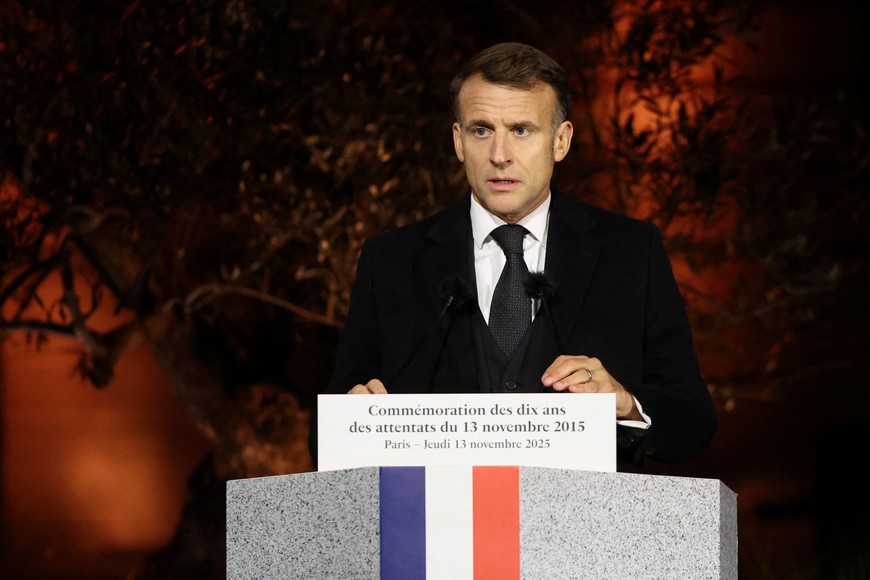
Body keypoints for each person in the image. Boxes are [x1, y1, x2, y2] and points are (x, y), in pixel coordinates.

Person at [317, 42, 716, 472]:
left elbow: (692, 421)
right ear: (458, 141)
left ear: (560, 141)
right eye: (481, 130)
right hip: (436, 530)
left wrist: (627, 404)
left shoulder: (630, 252)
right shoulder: (391, 261)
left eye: (521, 130)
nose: (499, 154)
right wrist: (349, 421)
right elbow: (322, 439)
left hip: (586, 529)